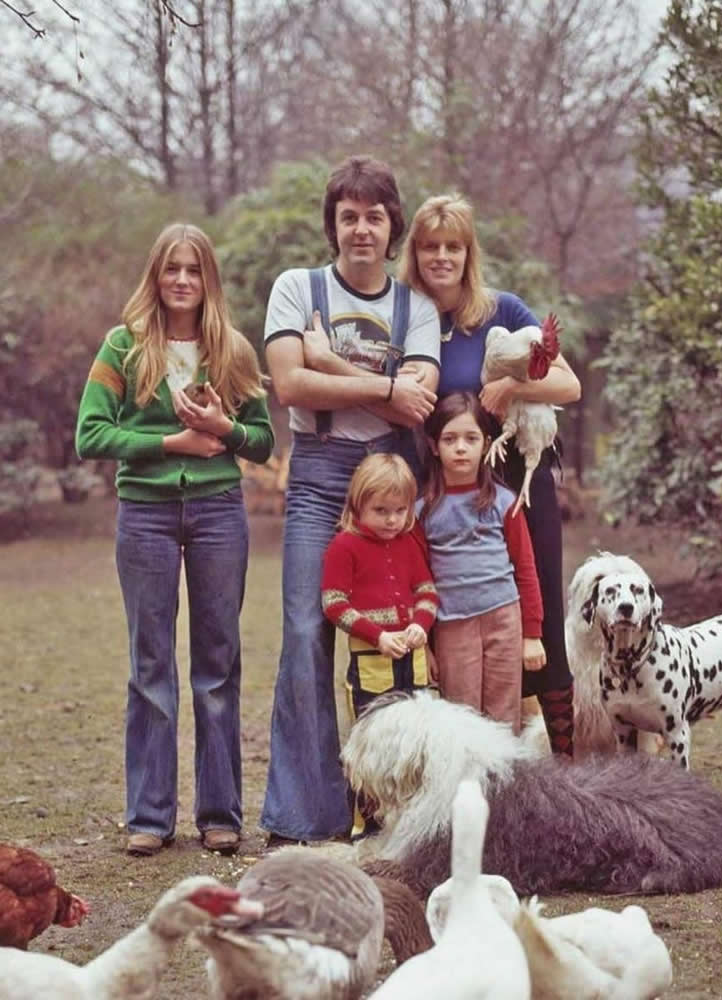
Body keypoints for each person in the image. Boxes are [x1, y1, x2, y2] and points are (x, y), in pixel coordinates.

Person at [75, 222, 274, 857]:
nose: (182, 280)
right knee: (150, 665)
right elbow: (91, 435)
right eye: (171, 269)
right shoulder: (124, 347)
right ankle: (149, 817)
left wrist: (225, 428)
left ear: (208, 278)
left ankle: (220, 814)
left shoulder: (232, 351)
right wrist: (171, 443)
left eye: (193, 270)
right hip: (146, 513)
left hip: (218, 510)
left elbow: (264, 442)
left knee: (218, 665)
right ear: (155, 277)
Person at [261, 155, 440, 846]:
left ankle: (397, 803)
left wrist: (330, 363)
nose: (361, 229)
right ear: (332, 225)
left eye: (374, 216)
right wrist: (383, 386)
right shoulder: (296, 288)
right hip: (318, 472)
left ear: (392, 224)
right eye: (348, 217)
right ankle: (307, 815)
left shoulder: (414, 307)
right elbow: (289, 386)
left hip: (392, 478)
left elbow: (418, 396)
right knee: (308, 631)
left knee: (402, 632)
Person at [399, 194, 582, 756]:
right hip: (449, 490)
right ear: (415, 253)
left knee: (539, 615)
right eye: (430, 246)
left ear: (468, 252)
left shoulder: (502, 310)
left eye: (454, 246)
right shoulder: (407, 317)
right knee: (455, 618)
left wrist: (514, 386)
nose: (442, 257)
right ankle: (463, 760)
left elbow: (569, 385)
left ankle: (565, 766)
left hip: (519, 481)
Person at [416, 393, 543, 733]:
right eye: (450, 439)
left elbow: (526, 570)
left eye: (471, 439)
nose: (460, 448)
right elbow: (418, 582)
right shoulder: (421, 511)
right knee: (461, 719)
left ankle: (505, 787)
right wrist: (426, 646)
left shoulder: (504, 502)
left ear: (486, 444)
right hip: (452, 625)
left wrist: (532, 634)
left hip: (503, 618)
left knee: (504, 717)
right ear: (432, 445)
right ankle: (466, 786)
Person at [321, 452, 439, 719]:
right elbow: (334, 604)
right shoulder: (344, 546)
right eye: (381, 510)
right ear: (357, 505)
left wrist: (421, 624)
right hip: (372, 661)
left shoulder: (408, 542)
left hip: (414, 659)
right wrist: (378, 636)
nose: (392, 520)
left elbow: (427, 591)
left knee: (417, 732)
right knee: (373, 735)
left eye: (401, 510)